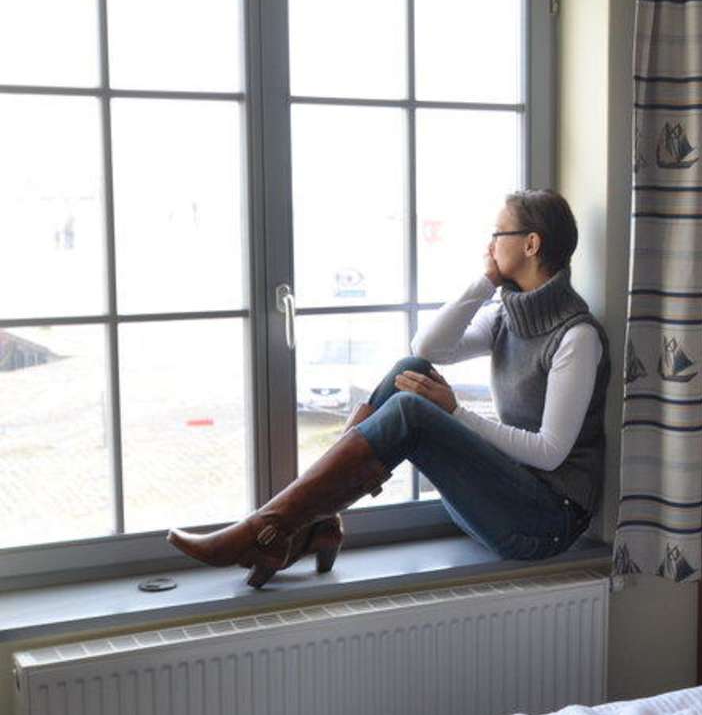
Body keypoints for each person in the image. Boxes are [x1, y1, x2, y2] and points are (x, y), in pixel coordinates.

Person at [168, 190, 611, 587]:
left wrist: (456, 412)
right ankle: (310, 524)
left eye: (498, 233)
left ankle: (270, 529)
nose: (489, 244)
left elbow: (549, 453)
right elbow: (429, 347)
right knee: (410, 369)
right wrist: (485, 283)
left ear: (530, 245)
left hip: (545, 524)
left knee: (411, 413)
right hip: (503, 499)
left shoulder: (576, 337)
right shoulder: (505, 316)